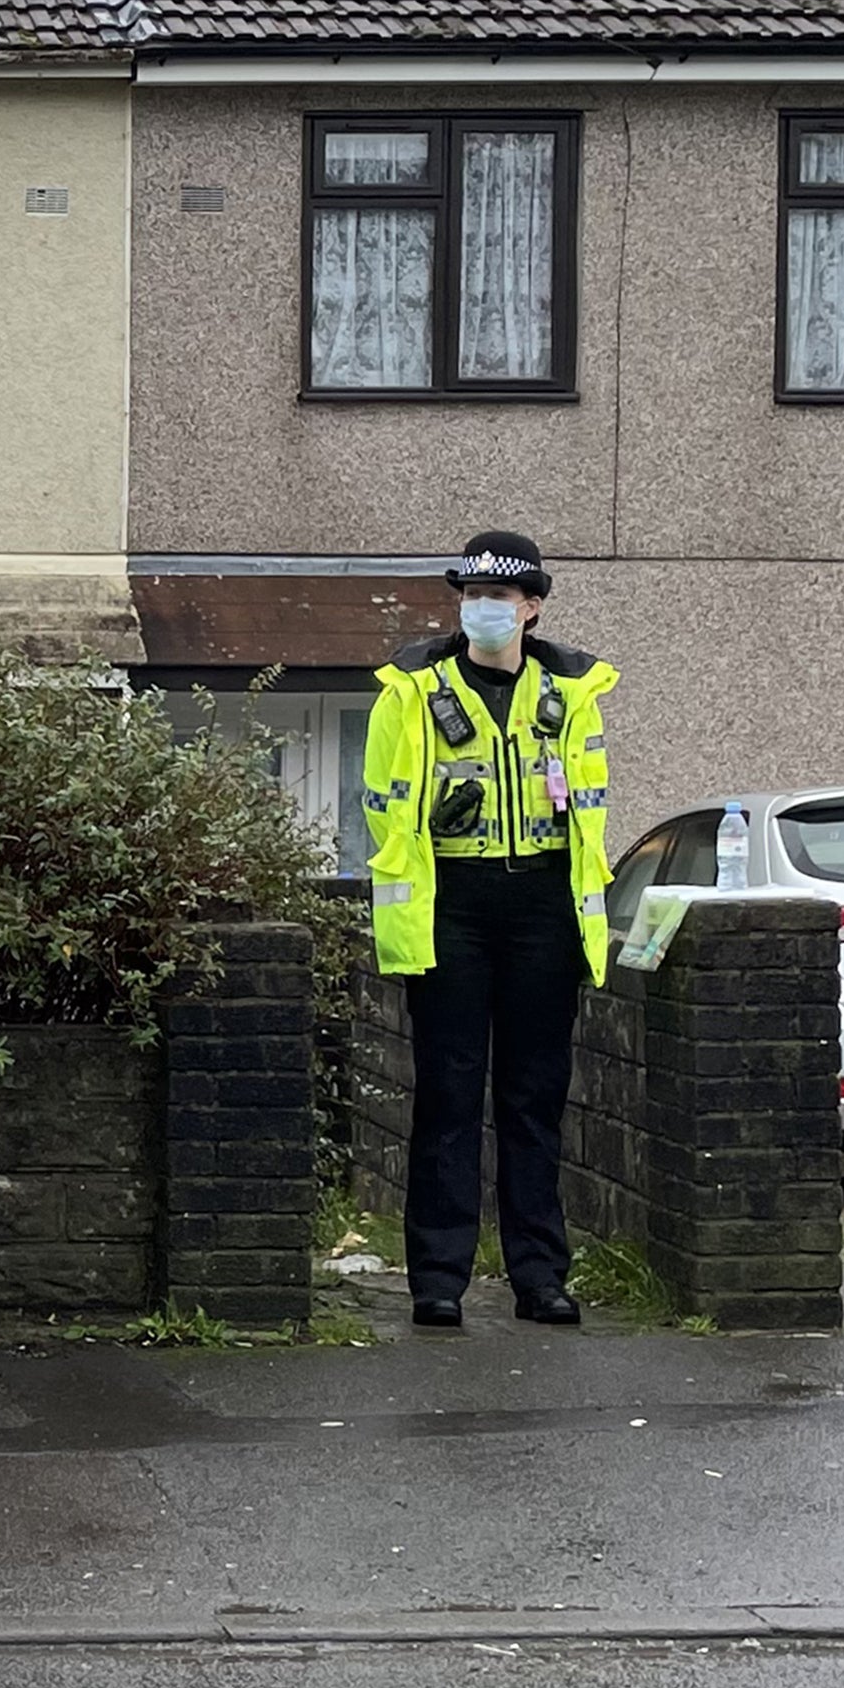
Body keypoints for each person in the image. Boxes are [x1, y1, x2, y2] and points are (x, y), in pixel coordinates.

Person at [362, 528, 619, 1331]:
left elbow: (588, 813)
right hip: (453, 900)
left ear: (532, 607)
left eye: (498, 599)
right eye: (470, 597)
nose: (482, 610)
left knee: (533, 1098)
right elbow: (383, 808)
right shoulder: (411, 688)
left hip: (543, 902)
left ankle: (539, 1276)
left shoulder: (573, 690)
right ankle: (438, 1279)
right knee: (446, 1094)